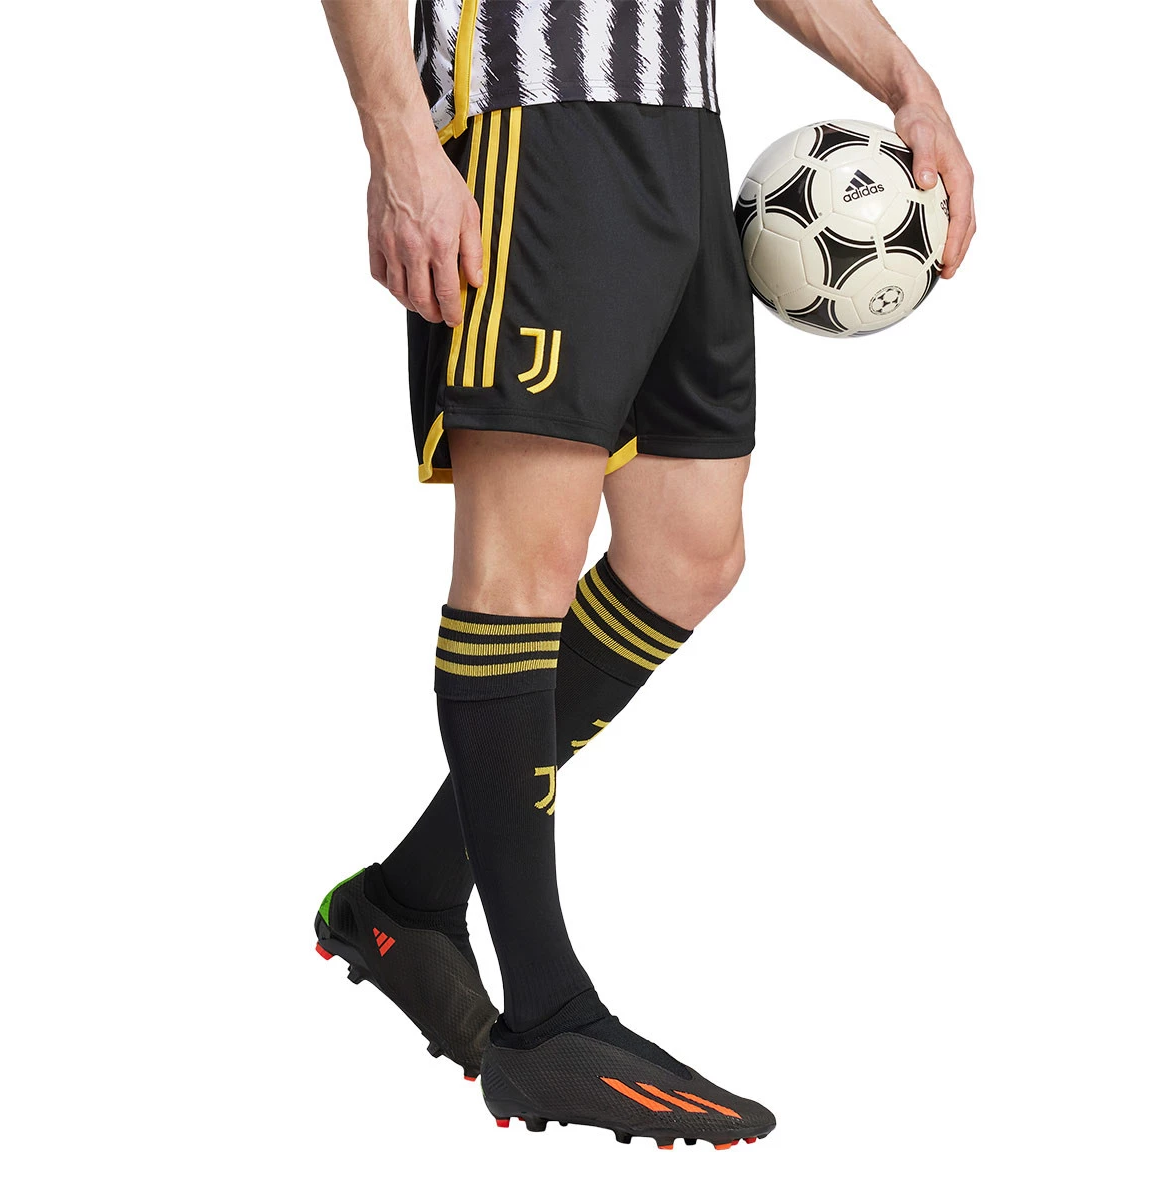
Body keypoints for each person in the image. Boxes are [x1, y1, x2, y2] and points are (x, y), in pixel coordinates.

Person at [313, 0, 974, 1149]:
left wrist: (907, 81)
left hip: (682, 127)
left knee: (687, 553)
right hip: (530, 117)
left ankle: (409, 900)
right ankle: (545, 1019)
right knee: (522, 561)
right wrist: (400, 139)